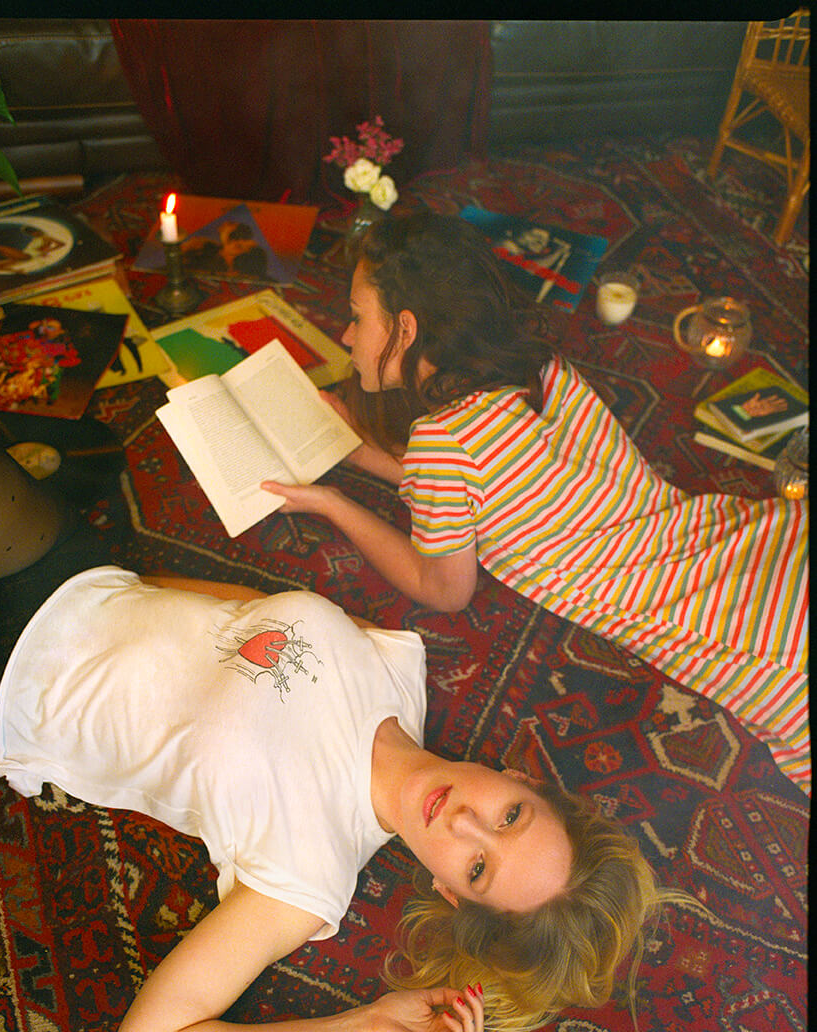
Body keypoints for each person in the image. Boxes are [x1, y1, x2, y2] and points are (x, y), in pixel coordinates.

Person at [0, 386, 698, 1032]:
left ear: (452, 892)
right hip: (66, 574)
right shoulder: (400, 670)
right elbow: (245, 610)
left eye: (478, 865)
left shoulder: (307, 874)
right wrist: (129, 587)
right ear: (520, 778)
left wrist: (362, 1026)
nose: (465, 821)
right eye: (510, 816)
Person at [262, 212, 810, 793]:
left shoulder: (442, 442)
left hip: (749, 636)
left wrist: (332, 504)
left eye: (356, 317)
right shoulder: (542, 371)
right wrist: (358, 451)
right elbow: (485, 484)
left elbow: (444, 588)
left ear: (406, 327)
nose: (347, 337)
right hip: (759, 535)